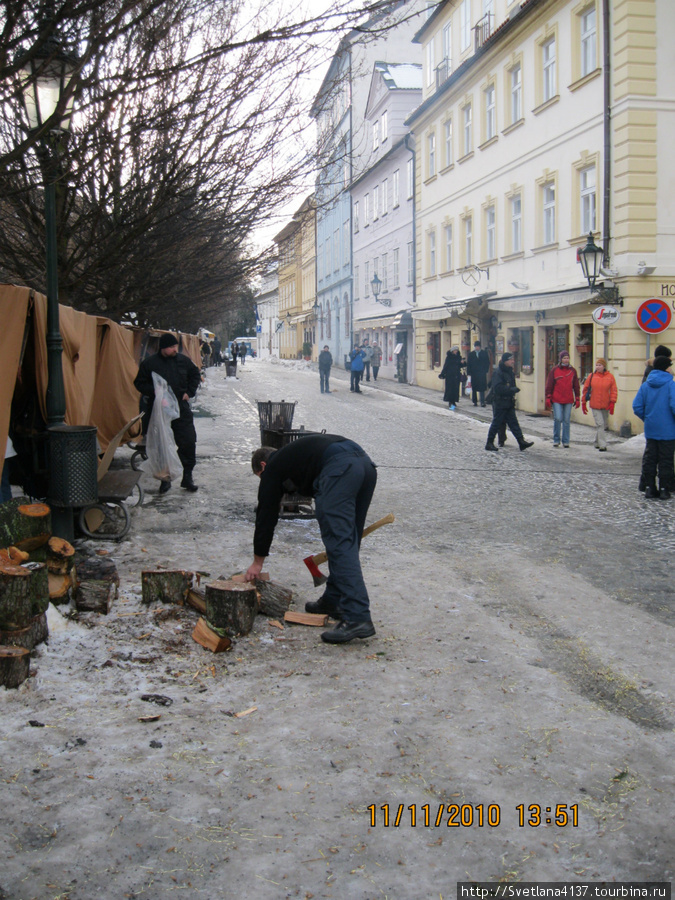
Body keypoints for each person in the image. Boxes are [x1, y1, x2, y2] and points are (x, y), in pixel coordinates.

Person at [245, 434, 378, 643]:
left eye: (260, 476)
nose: (264, 481)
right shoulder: (296, 455)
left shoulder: (273, 467)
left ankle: (357, 616)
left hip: (339, 470)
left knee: (341, 543)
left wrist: (257, 561)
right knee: (348, 541)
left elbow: (266, 514)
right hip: (365, 466)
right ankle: (333, 600)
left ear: (263, 465)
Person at [134, 333, 201, 493]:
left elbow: (195, 374)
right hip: (158, 411)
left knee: (188, 441)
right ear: (163, 347)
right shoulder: (150, 363)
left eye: (175, 347)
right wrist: (156, 393)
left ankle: (187, 476)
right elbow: (139, 382)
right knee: (161, 444)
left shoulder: (183, 361)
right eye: (171, 347)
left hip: (181, 408)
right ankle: (164, 478)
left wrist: (189, 392)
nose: (174, 350)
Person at [632, 356, 675, 500]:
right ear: (665, 367)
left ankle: (650, 488)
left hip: (651, 429)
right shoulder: (670, 385)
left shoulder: (646, 385)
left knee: (650, 459)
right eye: (670, 365)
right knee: (666, 460)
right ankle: (664, 489)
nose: (671, 368)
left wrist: (648, 418)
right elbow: (674, 406)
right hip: (668, 430)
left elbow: (637, 406)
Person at [485, 352, 534, 452]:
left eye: (513, 359)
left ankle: (521, 442)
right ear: (505, 361)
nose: (513, 361)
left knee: (514, 423)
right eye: (510, 360)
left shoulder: (510, 371)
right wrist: (511, 390)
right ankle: (489, 443)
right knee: (496, 423)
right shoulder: (498, 372)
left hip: (509, 402)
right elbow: (498, 388)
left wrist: (513, 390)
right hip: (500, 402)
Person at [581, 358, 618, 451]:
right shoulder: (591, 376)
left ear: (604, 366)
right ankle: (602, 444)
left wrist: (612, 402)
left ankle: (597, 442)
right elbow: (585, 390)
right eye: (596, 365)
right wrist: (583, 402)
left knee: (603, 425)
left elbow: (613, 390)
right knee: (600, 424)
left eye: (600, 365)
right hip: (595, 404)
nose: (598, 367)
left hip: (606, 404)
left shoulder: (610, 377)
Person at [545, 350, 580, 447]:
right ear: (561, 359)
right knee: (558, 418)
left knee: (566, 420)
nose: (566, 360)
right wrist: (548, 396)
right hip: (557, 398)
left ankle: (566, 441)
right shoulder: (555, 370)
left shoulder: (572, 371)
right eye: (564, 358)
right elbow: (550, 384)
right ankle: (556, 439)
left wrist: (577, 397)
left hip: (568, 398)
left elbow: (576, 385)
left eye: (567, 358)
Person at [467, 340, 490, 407]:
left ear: (480, 347)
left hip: (481, 373)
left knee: (482, 388)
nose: (476, 348)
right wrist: (469, 373)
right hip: (474, 374)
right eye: (475, 346)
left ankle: (482, 401)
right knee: (474, 388)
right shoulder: (471, 354)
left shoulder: (484, 353)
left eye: (477, 346)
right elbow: (469, 364)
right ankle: (475, 401)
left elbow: (487, 362)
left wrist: (485, 370)